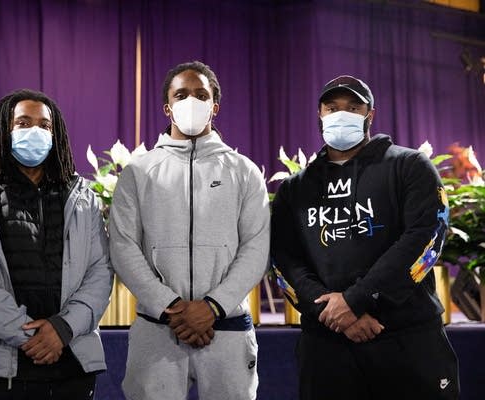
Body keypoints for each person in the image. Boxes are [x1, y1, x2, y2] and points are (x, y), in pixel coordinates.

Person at [271, 75, 460, 399]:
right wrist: (333, 314)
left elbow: (426, 235)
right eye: (332, 107)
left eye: (353, 107)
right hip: (327, 346)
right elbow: (283, 258)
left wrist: (356, 300)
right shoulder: (294, 188)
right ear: (319, 113)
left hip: (405, 339)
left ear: (369, 114)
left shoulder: (409, 165)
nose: (341, 114)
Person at [0, 89, 113, 400]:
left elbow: (100, 271)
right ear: (4, 130)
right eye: (23, 123)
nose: (35, 132)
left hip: (67, 366)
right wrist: (29, 334)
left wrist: (63, 329)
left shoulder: (82, 198)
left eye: (45, 126)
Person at [108, 61, 270, 400]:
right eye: (181, 95)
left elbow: (255, 248)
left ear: (215, 106)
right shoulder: (139, 172)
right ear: (167, 107)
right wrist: (170, 305)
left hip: (225, 330)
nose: (191, 101)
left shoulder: (245, 172)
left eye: (201, 95)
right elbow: (123, 245)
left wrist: (211, 307)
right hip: (157, 329)